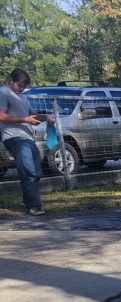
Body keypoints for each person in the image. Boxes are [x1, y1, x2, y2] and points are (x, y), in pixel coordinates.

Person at [0, 68, 54, 216]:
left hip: (28, 138)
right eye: (19, 85)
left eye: (24, 87)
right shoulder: (3, 93)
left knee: (36, 172)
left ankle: (30, 201)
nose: (21, 89)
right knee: (28, 172)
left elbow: (32, 115)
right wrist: (25, 120)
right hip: (14, 138)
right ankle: (33, 206)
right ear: (11, 80)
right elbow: (2, 116)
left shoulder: (21, 97)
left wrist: (45, 117)